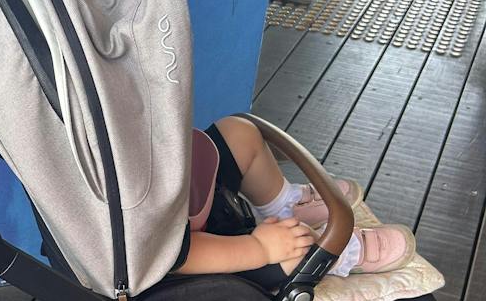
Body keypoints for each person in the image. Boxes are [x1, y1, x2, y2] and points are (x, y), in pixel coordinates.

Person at [178, 116, 415, 280]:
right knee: (297, 245)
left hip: (182, 198)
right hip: (199, 258)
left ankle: (283, 205)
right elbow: (176, 254)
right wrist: (260, 248)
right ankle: (334, 254)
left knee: (238, 132)